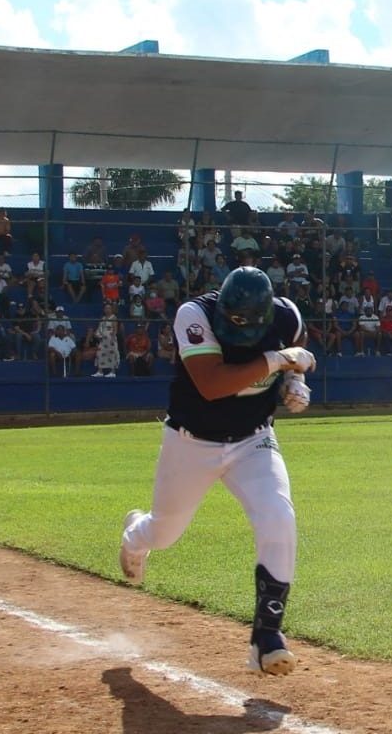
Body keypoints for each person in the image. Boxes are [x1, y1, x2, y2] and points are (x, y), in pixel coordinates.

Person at [118, 267, 314, 677]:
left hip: (253, 440)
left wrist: (295, 382)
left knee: (278, 516)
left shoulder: (286, 316)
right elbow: (212, 384)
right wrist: (278, 361)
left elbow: (298, 349)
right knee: (164, 533)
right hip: (191, 442)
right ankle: (135, 536)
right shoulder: (195, 315)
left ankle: (266, 637)